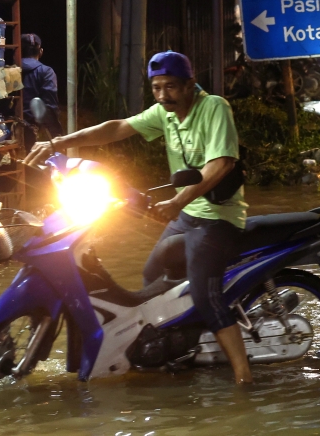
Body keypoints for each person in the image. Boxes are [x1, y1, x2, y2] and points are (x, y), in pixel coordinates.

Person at [24, 51, 252, 384]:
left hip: (219, 218)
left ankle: (244, 377)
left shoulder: (214, 107)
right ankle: (171, 346)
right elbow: (117, 128)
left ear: (190, 85)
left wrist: (176, 202)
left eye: (170, 87)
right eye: (156, 88)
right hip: (187, 213)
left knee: (205, 294)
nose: (162, 95)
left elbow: (221, 164)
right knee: (152, 274)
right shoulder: (165, 113)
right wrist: (61, 142)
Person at [21, 34, 63, 145]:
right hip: (32, 131)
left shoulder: (7, 70)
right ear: (41, 52)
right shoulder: (46, 72)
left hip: (5, 129)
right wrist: (56, 136)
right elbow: (50, 107)